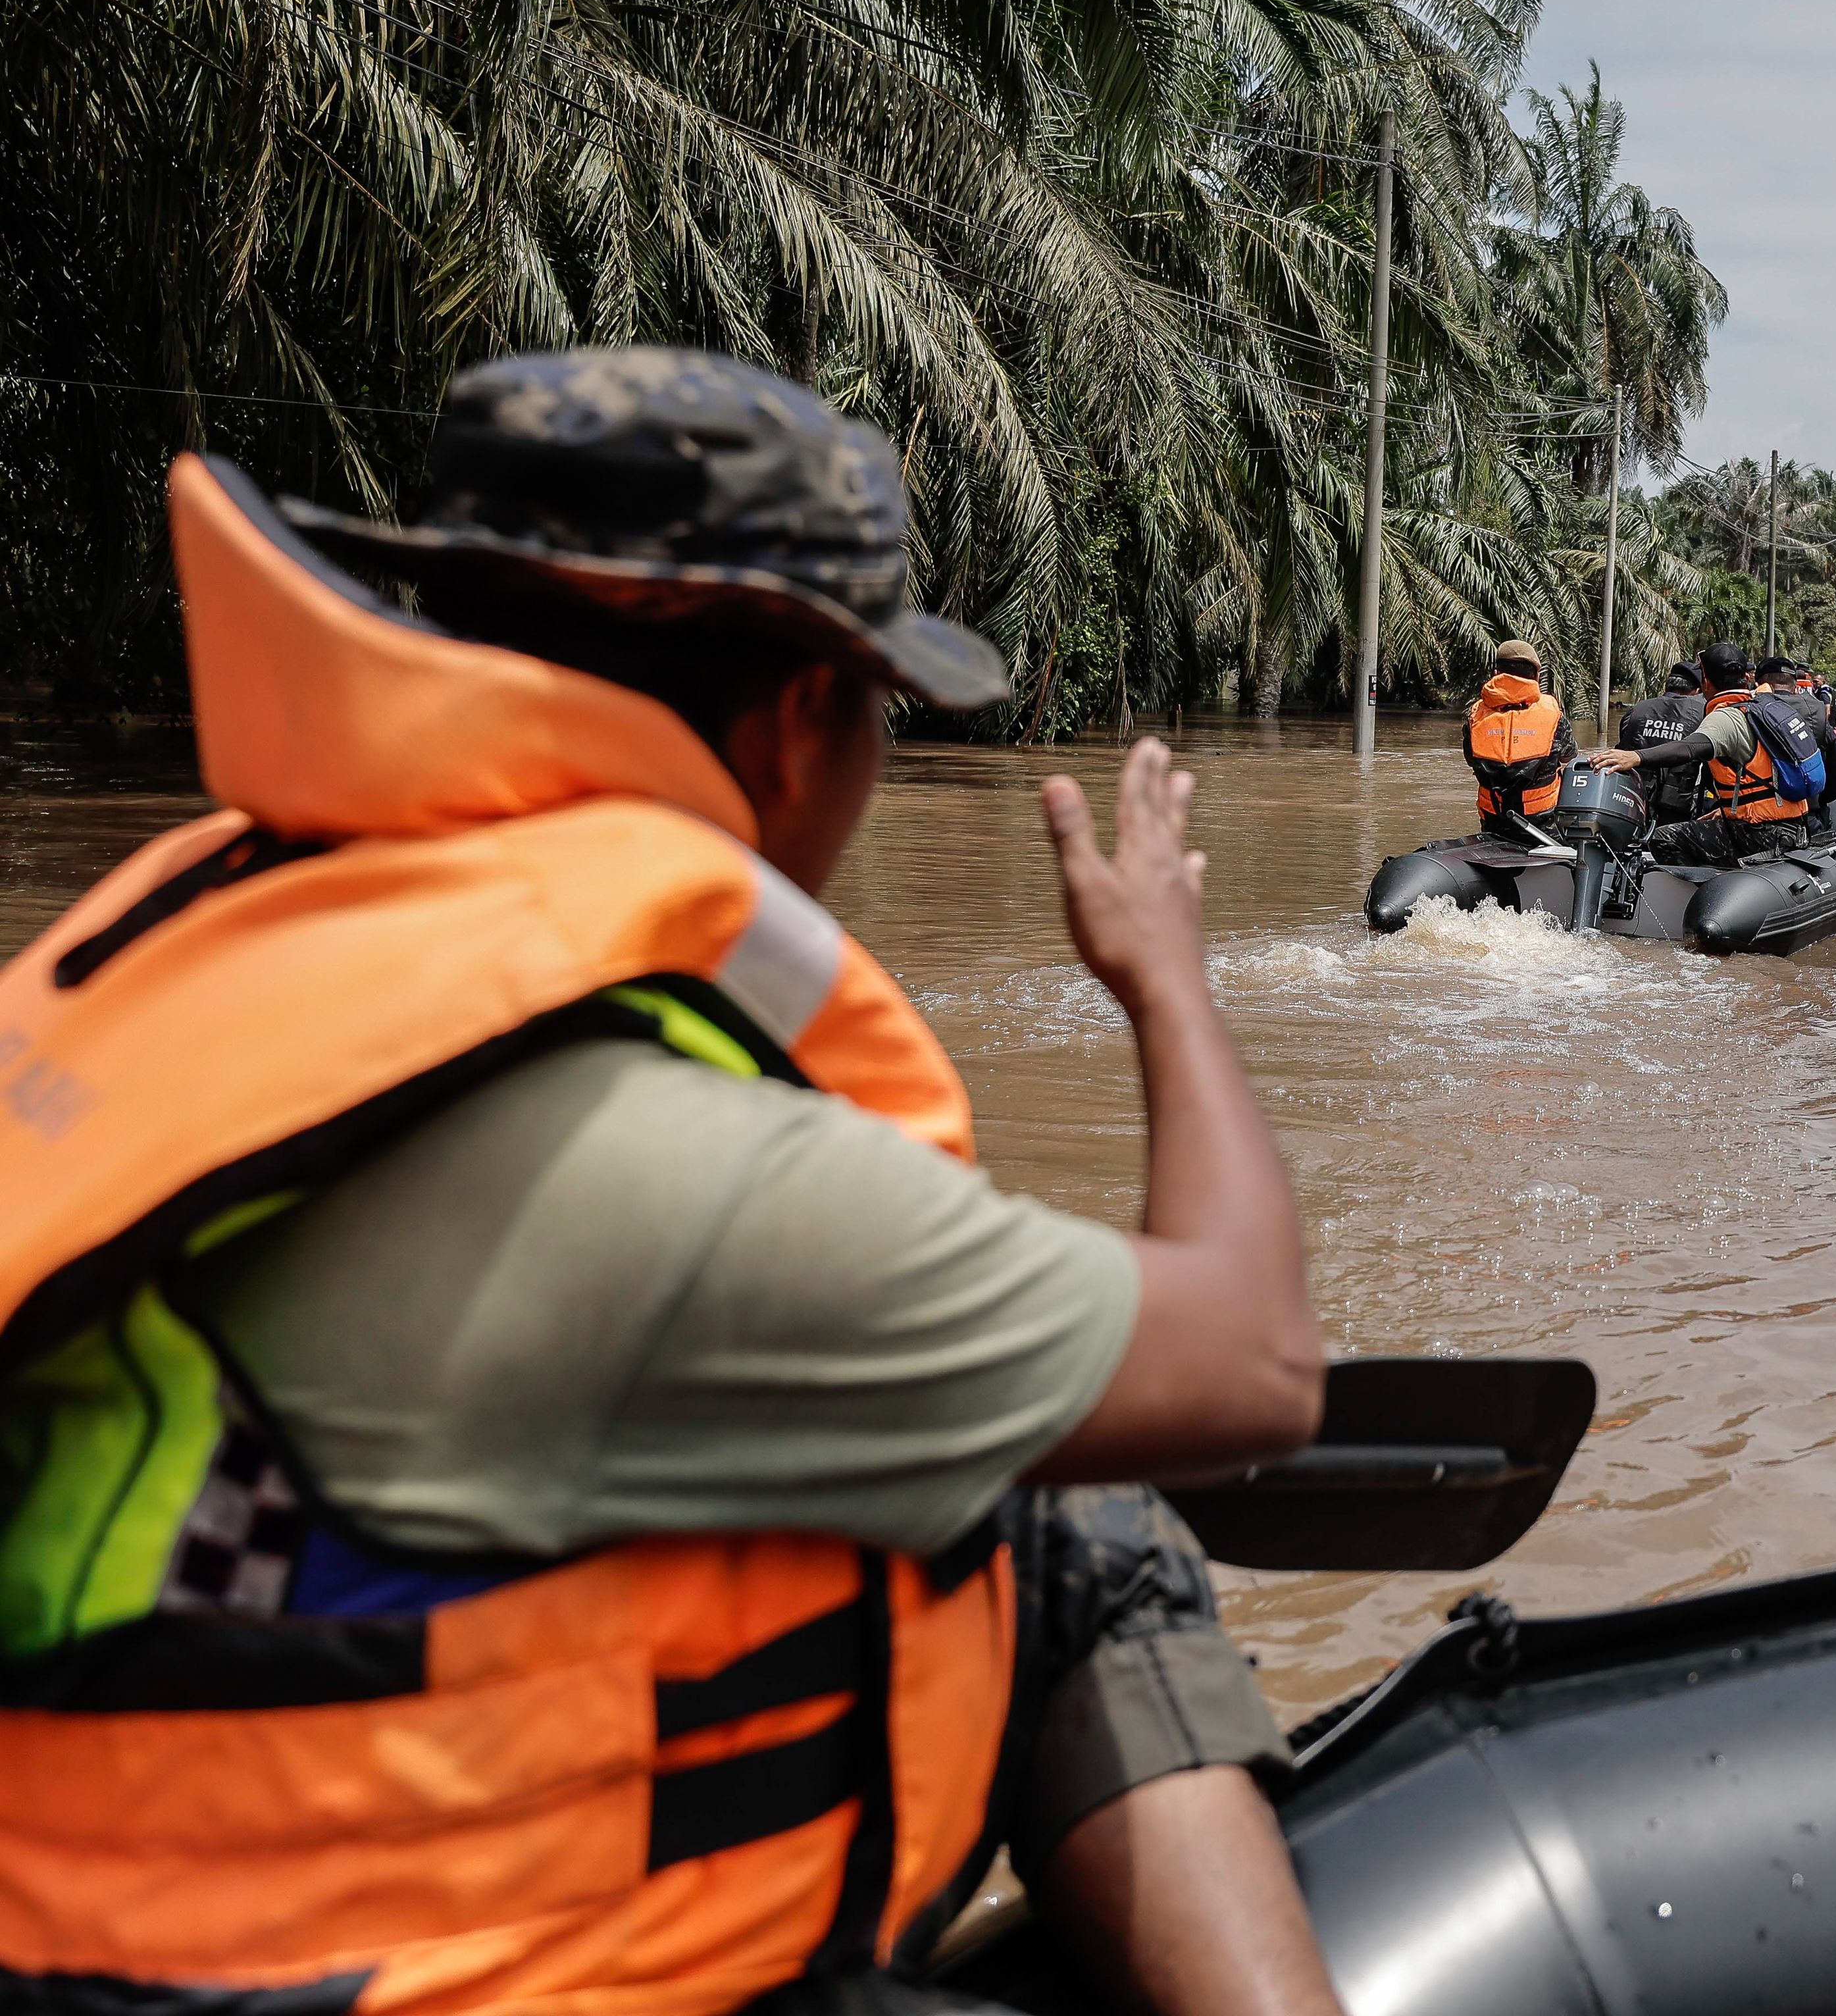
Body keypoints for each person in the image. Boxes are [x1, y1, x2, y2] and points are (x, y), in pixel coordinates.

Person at [0, 349, 1343, 2016]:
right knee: (1077, 1513)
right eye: (877, 712)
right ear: (798, 723)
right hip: (344, 1975)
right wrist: (1162, 975)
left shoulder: (189, 929)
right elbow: (1252, 1358)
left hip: (114, 1900)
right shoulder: (648, 1156)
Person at [1587, 640, 1818, 867]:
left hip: (1761, 836)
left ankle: (1702, 894)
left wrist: (1636, 757)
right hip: (1791, 827)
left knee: (1664, 838)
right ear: (1746, 677)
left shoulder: (1726, 715)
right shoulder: (1763, 706)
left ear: (1706, 681)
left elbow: (1690, 748)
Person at [1464, 636, 1573, 842]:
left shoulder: (1475, 715)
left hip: (1494, 824)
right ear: (1537, 676)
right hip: (1543, 828)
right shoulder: (1553, 715)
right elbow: (1570, 757)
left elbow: (1471, 759)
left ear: (1496, 674)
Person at [1616, 659, 1709, 823]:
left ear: (1668, 686)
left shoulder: (1637, 710)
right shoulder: (1704, 713)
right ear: (1697, 690)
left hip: (1631, 804)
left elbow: (1620, 751)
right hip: (1676, 811)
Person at [1760, 654, 1836, 806]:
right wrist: (1818, 804)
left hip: (1759, 813)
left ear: (1760, 687)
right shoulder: (1817, 712)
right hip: (1810, 811)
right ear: (1795, 687)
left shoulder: (1750, 712)